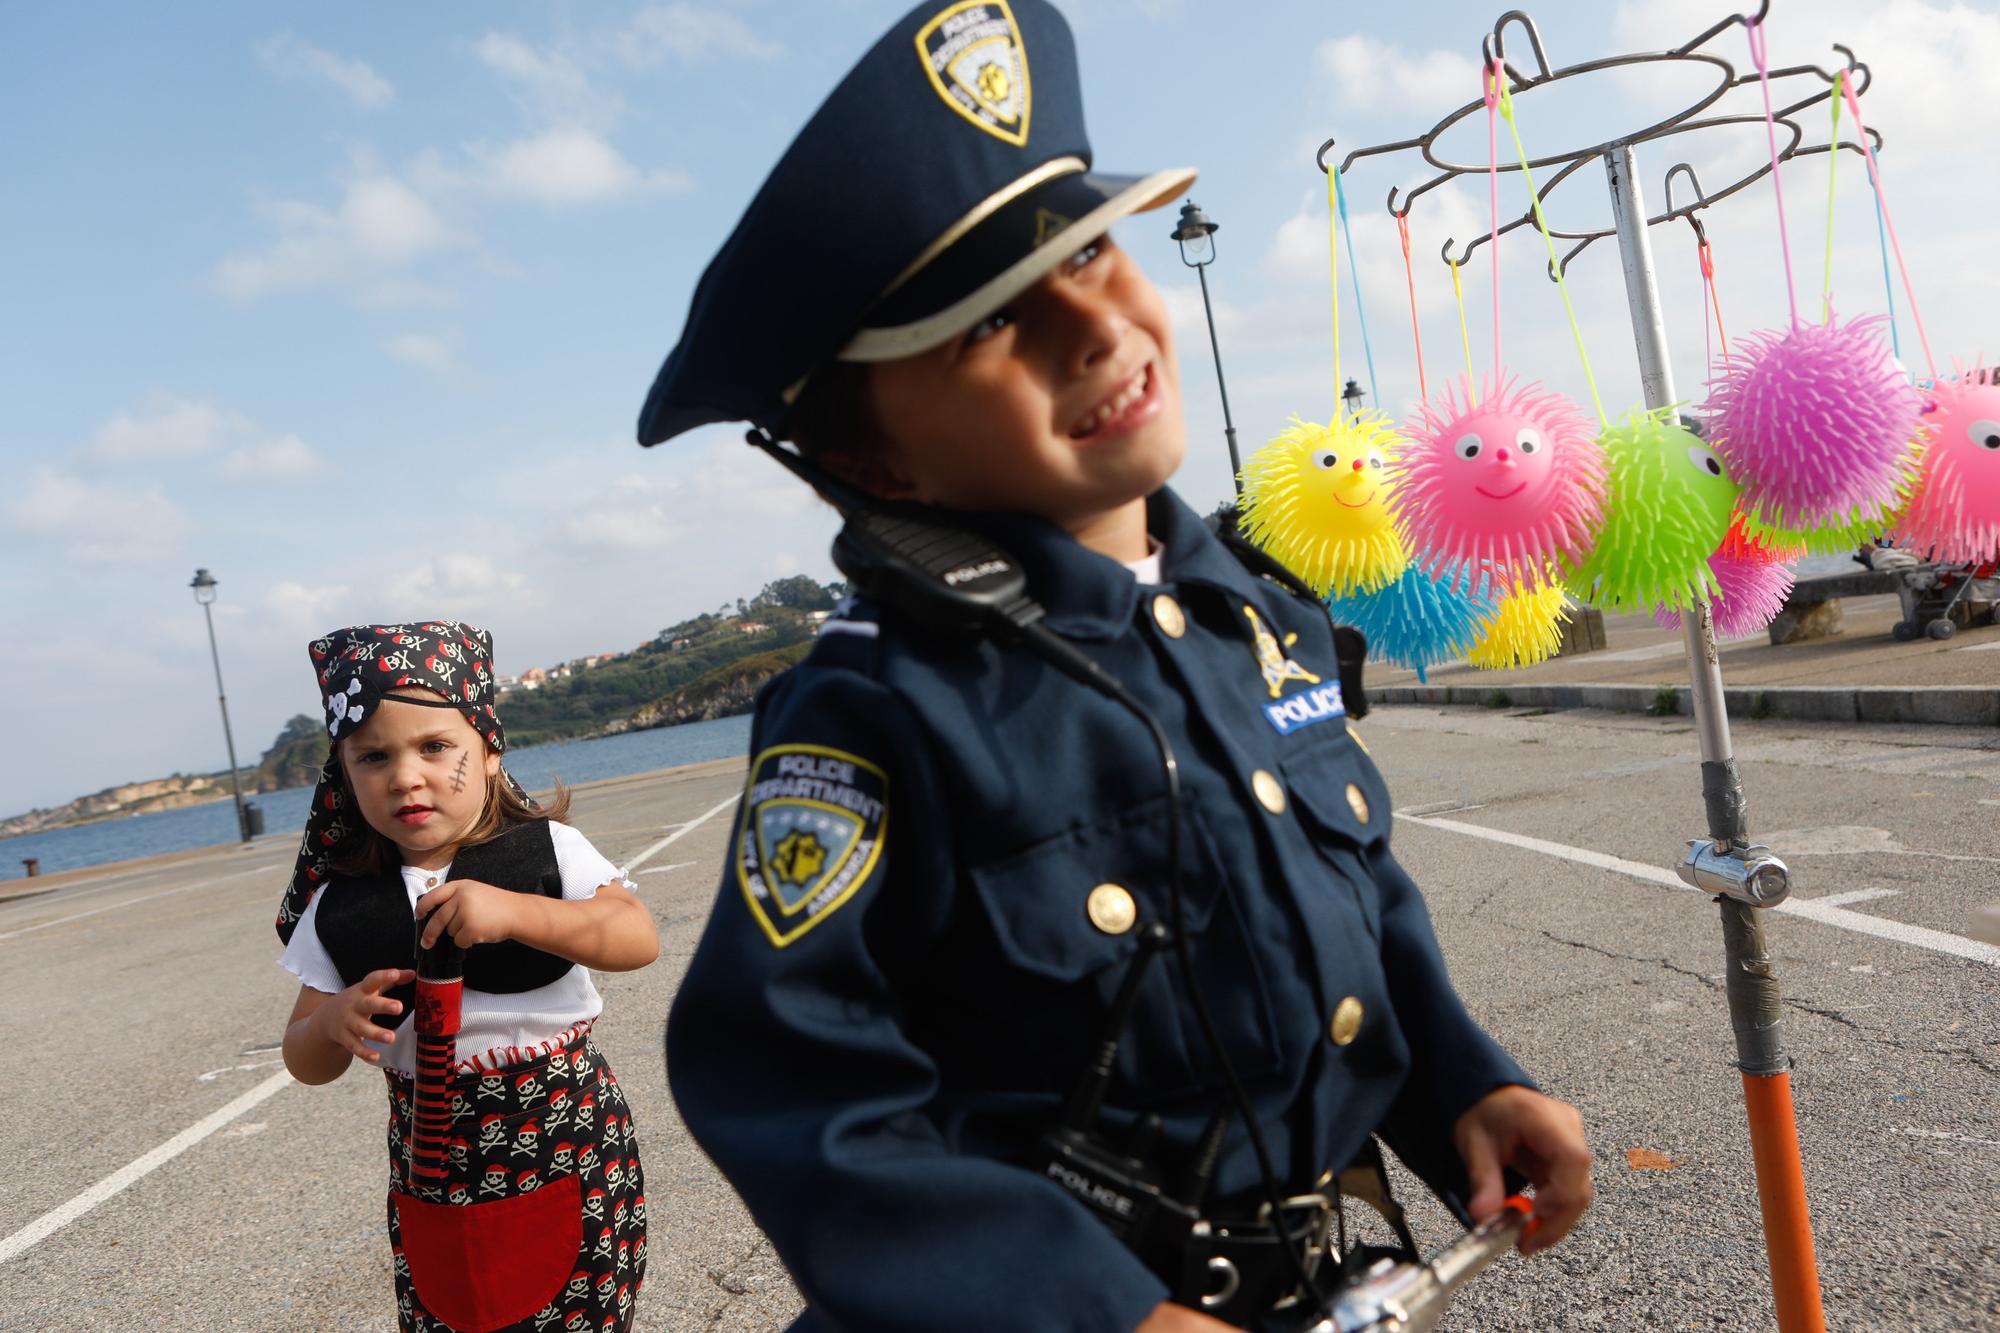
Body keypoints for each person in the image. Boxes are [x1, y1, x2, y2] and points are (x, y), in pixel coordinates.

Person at [645, 4, 1593, 1330]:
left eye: (1091, 244)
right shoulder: (878, 708)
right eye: (988, 323)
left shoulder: (1258, 618)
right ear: (866, 462)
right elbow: (792, 1075)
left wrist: (1460, 1088)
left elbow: (1351, 901)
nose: (1092, 324)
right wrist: (1086, 1309)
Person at [275, 620, 659, 1333]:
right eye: (372, 756)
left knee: (581, 1312)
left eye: (434, 746)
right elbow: (303, 1055)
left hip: (562, 1134)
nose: (405, 775)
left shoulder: (546, 850)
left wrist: (518, 912)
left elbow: (634, 935)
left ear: (487, 753)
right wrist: (332, 1023)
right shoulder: (342, 905)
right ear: (344, 773)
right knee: (456, 1309)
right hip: (432, 1163)